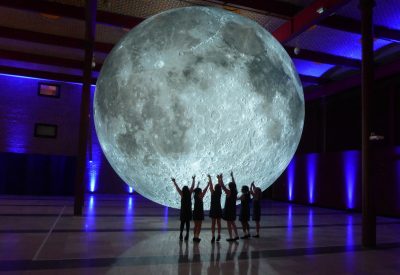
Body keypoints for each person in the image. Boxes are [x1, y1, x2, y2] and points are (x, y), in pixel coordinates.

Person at [172, 176, 195, 241]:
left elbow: (177, 188)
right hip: (188, 211)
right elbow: (192, 186)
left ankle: (181, 234)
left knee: (182, 223)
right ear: (187, 189)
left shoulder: (182, 194)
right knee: (188, 223)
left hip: (183, 211)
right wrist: (193, 179)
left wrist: (174, 182)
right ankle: (187, 234)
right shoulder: (189, 193)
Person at [219, 172, 239, 241]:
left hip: (228, 209)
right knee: (233, 223)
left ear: (230, 187)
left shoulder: (229, 192)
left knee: (229, 224)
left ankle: (231, 237)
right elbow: (234, 184)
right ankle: (236, 235)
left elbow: (222, 186)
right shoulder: (235, 192)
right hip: (233, 209)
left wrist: (220, 178)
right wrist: (232, 176)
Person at [208, 174, 222, 242]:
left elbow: (210, 186)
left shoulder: (213, 193)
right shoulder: (219, 192)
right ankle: (219, 234)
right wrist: (219, 179)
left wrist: (210, 178)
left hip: (213, 209)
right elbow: (220, 185)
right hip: (218, 208)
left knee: (213, 223)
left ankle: (213, 236)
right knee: (219, 223)